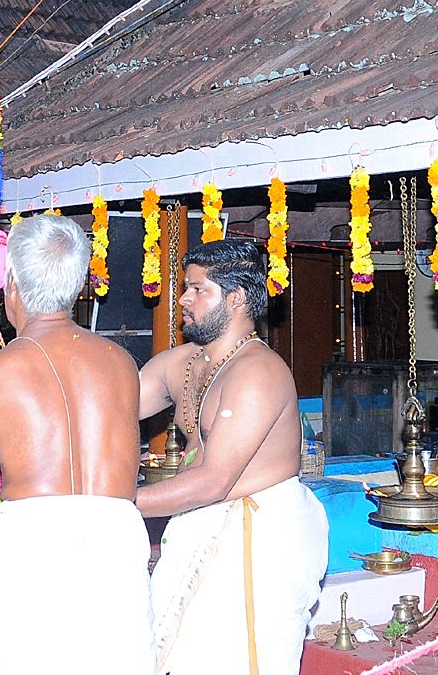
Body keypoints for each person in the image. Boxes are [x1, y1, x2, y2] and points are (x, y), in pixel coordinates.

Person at [0, 215, 152, 675]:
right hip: (118, 555)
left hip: (35, 563)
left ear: (11, 284)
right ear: (78, 286)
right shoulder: (122, 364)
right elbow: (80, 497)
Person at [136, 238, 328, 675]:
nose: (183, 299)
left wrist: (116, 504)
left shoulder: (258, 371)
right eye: (185, 287)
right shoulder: (182, 363)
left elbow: (213, 480)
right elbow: (113, 408)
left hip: (256, 538)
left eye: (198, 289)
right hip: (202, 522)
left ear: (236, 298)